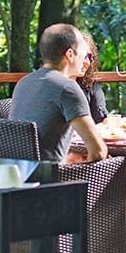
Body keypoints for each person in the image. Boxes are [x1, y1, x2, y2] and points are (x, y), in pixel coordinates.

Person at [11, 24, 108, 162]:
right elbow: (98, 152)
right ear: (70, 54)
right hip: (52, 179)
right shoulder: (67, 88)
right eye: (83, 53)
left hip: (19, 175)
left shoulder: (23, 83)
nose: (86, 59)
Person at [75, 32, 108, 123]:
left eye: (90, 57)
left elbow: (102, 119)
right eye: (83, 56)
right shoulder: (52, 85)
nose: (87, 62)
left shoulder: (91, 85)